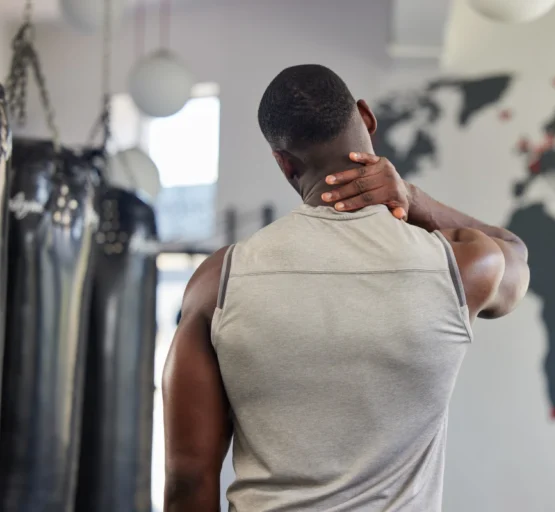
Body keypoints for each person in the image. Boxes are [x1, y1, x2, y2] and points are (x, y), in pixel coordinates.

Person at [162, 64, 530, 512]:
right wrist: (412, 197)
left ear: (284, 162)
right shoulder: (461, 265)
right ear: (367, 117)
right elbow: (516, 253)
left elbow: (188, 480)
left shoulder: (217, 282)